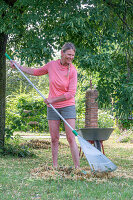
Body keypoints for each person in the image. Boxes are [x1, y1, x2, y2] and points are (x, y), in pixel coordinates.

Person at [10, 42, 80, 168]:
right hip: (52, 108)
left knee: (71, 138)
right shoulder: (52, 65)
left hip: (67, 106)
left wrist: (52, 99)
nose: (71, 57)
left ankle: (77, 168)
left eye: (73, 55)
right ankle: (55, 166)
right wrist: (18, 66)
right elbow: (35, 72)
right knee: (54, 138)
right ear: (62, 53)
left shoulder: (73, 71)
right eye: (69, 54)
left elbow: (71, 94)